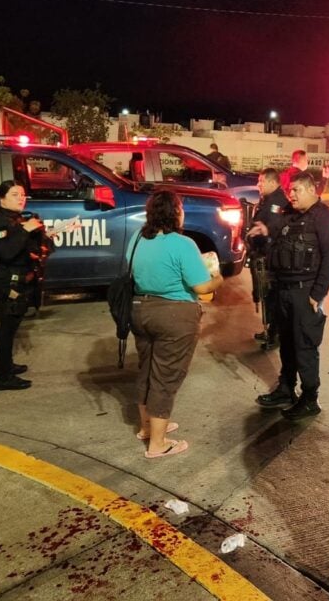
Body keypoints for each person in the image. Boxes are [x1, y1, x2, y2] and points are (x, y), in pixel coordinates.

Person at [128, 190, 223, 458]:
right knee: (165, 377)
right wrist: (218, 278)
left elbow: (132, 269)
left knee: (146, 369)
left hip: (140, 310)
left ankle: (148, 428)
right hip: (174, 315)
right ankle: (157, 444)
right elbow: (202, 285)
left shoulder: (137, 238)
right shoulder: (182, 244)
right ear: (176, 212)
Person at [247, 170, 329, 420]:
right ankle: (286, 389)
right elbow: (276, 230)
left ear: (312, 190)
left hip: (305, 292)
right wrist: (265, 230)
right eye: (290, 190)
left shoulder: (325, 218)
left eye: (296, 190)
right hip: (283, 290)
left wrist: (317, 294)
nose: (291, 195)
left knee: (305, 347)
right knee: (287, 344)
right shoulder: (289, 213)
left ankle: (310, 398)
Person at [0, 180, 52, 390]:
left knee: (12, 328)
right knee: (7, 329)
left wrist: (44, 236)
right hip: (10, 281)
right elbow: (4, 252)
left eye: (22, 194)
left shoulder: (16, 218)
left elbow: (28, 247)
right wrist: (25, 231)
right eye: (15, 194)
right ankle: (4, 378)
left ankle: (7, 366)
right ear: (1, 198)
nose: (21, 198)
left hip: (22, 278)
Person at [249, 167, 289, 351]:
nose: (258, 184)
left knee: (271, 297)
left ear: (273, 183)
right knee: (266, 297)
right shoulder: (268, 199)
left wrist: (265, 230)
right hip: (262, 255)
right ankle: (270, 331)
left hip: (269, 258)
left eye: (261, 181)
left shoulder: (277, 202)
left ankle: (274, 335)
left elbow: (274, 227)